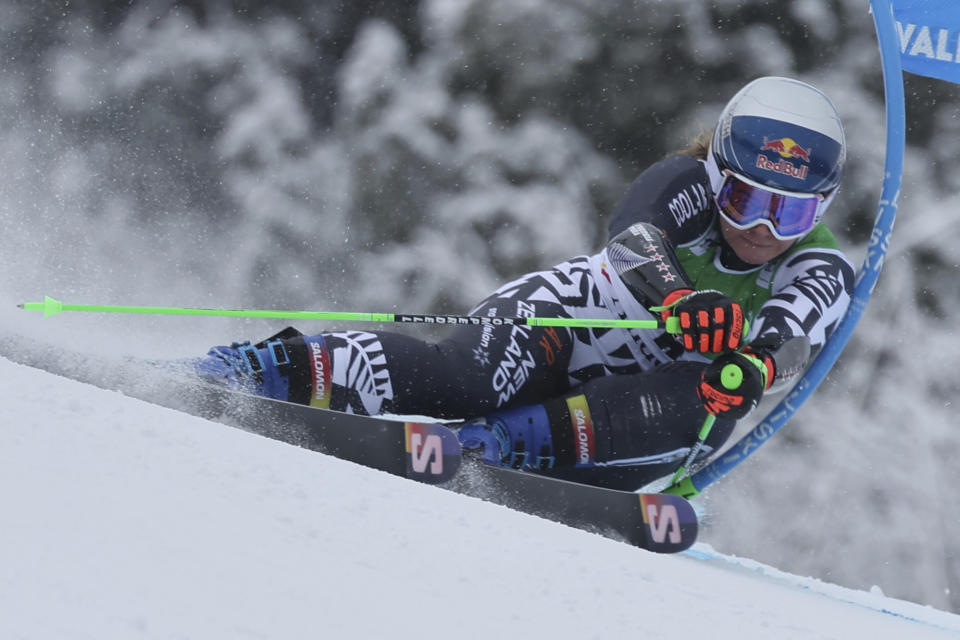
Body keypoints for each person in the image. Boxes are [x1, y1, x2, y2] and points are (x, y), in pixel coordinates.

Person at [194, 76, 855, 490]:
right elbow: (633, 237)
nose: (765, 227)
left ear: (819, 209)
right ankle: (265, 367)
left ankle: (495, 446)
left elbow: (792, 335)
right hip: (575, 321)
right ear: (716, 176)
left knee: (711, 393)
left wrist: (755, 365)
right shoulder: (685, 184)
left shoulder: (820, 264)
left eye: (790, 210)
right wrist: (681, 300)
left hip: (642, 416)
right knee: (461, 379)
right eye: (745, 200)